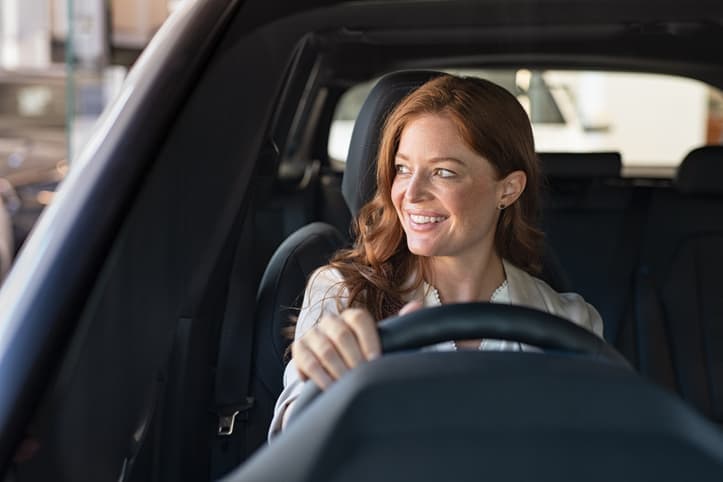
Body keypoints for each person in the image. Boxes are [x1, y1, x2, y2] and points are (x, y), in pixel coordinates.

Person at [268, 74, 603, 437]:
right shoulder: (344, 294)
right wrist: (325, 377)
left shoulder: (570, 323)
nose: (411, 194)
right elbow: (294, 442)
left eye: (443, 172)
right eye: (402, 169)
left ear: (508, 189)